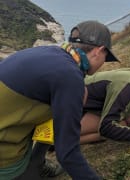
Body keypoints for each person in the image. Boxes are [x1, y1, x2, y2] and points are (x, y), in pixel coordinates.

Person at [0, 20, 119, 179]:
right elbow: (68, 153)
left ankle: (37, 163)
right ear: (99, 51)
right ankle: (30, 169)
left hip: (10, 121)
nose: (104, 62)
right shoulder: (69, 76)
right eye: (106, 56)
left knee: (64, 105)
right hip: (5, 151)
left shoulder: (52, 54)